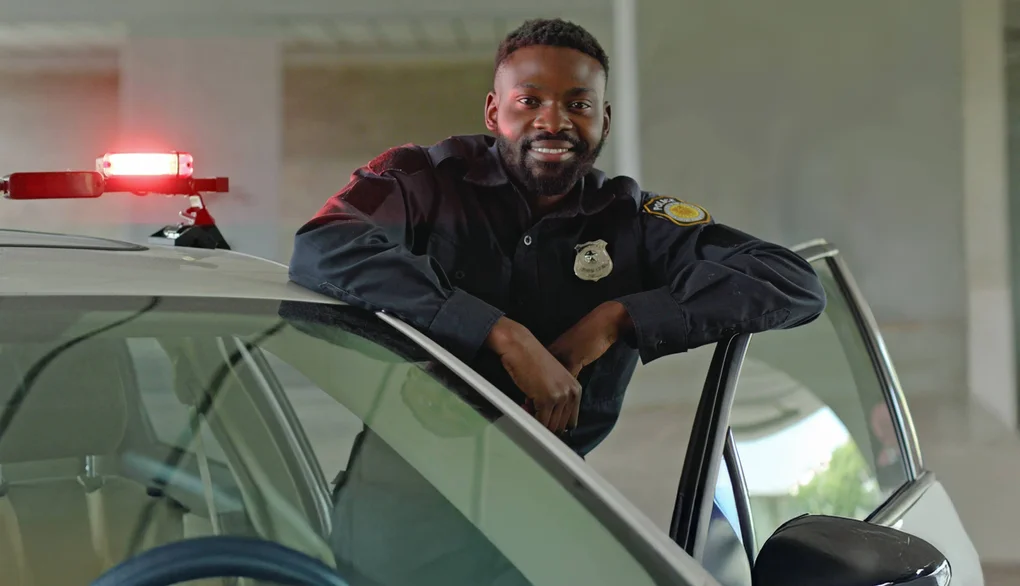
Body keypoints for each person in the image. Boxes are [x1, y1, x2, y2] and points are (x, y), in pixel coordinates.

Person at [288, 18, 826, 585]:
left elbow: (791, 281)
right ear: (495, 112)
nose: (554, 121)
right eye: (530, 100)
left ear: (604, 119)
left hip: (544, 522)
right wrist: (500, 332)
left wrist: (619, 317)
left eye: (578, 103)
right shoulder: (422, 182)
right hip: (398, 516)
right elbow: (323, 246)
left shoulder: (634, 223)